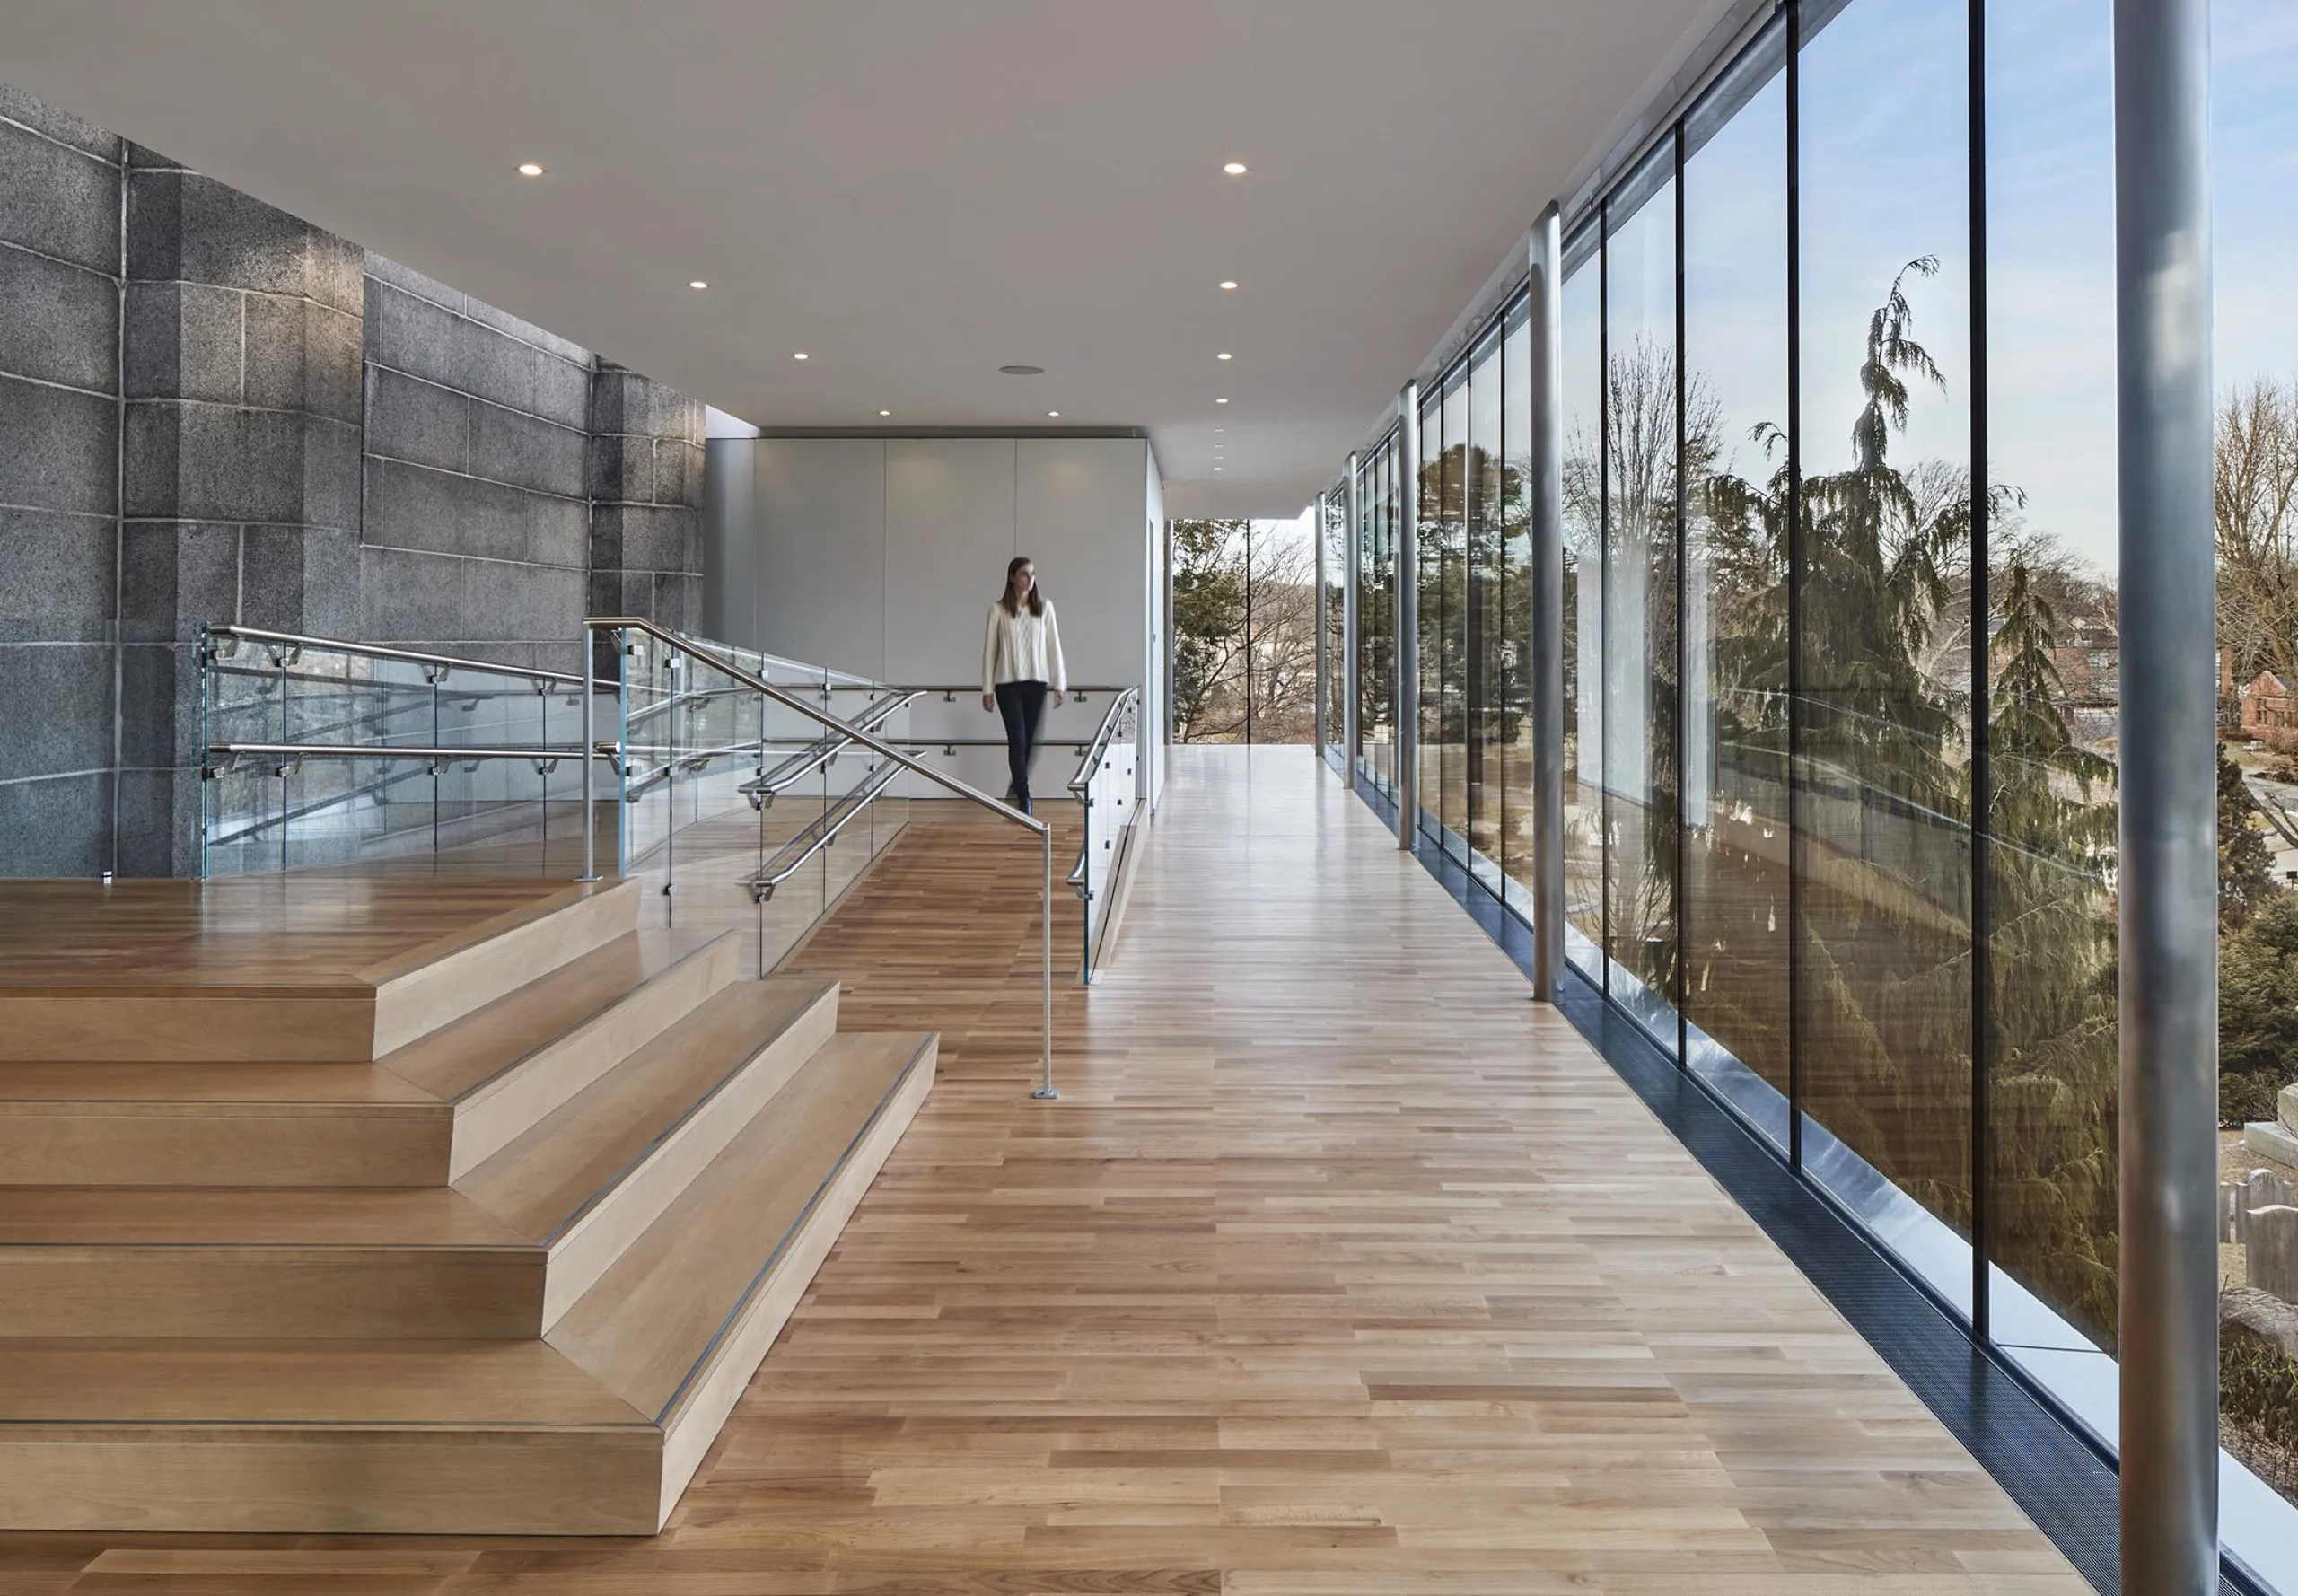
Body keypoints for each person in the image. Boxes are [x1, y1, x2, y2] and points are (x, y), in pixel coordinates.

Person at [981, 556, 1066, 815]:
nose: (1029, 579)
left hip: (1036, 683)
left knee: (1031, 741)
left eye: (1032, 574)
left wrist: (1059, 682)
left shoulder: (1045, 608)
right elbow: (989, 652)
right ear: (1012, 577)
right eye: (1024, 574)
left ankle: (1016, 788)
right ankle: (1024, 796)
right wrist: (987, 689)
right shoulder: (998, 610)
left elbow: (1054, 647)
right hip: (1007, 685)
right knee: (1017, 741)